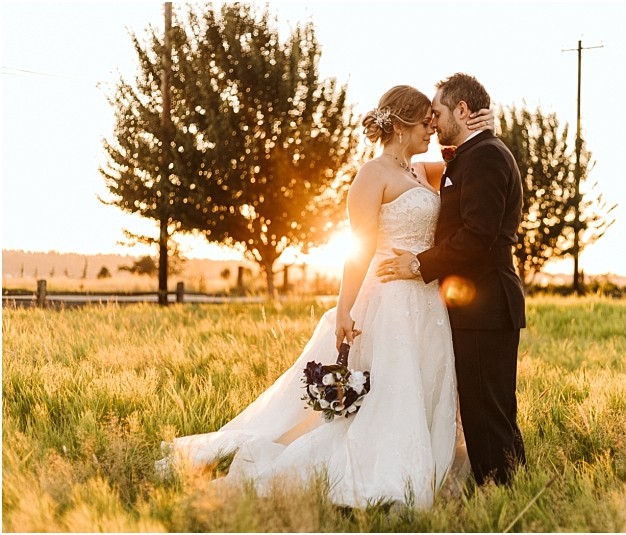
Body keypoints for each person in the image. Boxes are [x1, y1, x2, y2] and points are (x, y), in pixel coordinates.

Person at [156, 85, 495, 509]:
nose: (433, 127)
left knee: (425, 387)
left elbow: (460, 158)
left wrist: (485, 128)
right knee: (391, 391)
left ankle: (423, 466)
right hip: (388, 301)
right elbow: (359, 249)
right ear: (404, 125)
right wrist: (345, 308)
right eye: (426, 120)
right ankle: (387, 477)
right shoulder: (373, 175)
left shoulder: (419, 172)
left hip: (427, 304)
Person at [378, 73, 527, 486]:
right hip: (477, 303)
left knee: (486, 408)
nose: (434, 122)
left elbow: (478, 236)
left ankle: (501, 489)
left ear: (462, 110)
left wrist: (418, 264)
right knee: (487, 406)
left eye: (439, 113)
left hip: (486, 302)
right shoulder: (472, 154)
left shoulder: (486, 157)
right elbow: (412, 169)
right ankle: (508, 485)